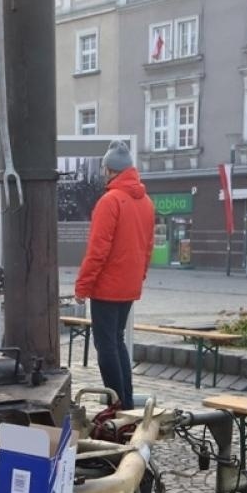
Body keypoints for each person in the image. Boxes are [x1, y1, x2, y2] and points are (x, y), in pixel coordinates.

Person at [73, 142, 155, 411]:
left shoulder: (110, 201)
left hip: (107, 287)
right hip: (128, 285)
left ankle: (116, 404)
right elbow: (148, 247)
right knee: (117, 342)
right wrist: (139, 276)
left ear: (109, 170)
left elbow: (98, 250)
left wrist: (83, 285)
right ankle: (126, 402)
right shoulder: (145, 202)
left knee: (106, 346)